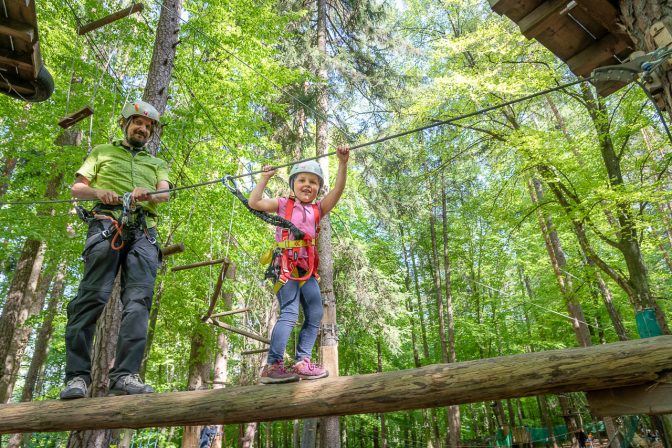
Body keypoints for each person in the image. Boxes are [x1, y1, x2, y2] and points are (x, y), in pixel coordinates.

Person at [60, 100, 172, 399]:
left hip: (144, 230)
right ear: (125, 124)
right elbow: (77, 188)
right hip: (106, 224)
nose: (143, 129)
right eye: (138, 123)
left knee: (139, 302)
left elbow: (165, 193)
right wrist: (99, 192)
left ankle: (124, 375)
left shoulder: (156, 163)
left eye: (148, 126)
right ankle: (76, 378)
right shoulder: (101, 151)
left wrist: (149, 193)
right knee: (91, 298)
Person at [248, 145, 350, 383]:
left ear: (317, 189)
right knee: (290, 313)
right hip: (285, 266)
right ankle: (272, 365)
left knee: (315, 312)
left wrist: (342, 163)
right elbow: (254, 203)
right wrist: (264, 179)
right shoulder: (284, 204)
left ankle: (302, 362)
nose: (307, 185)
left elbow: (338, 190)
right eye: (302, 180)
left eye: (313, 182)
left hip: (307, 271)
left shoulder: (317, 209)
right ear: (293, 184)